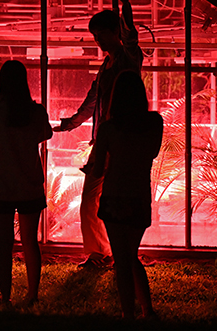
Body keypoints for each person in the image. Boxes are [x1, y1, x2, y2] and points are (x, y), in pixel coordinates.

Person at [53, 0, 142, 268]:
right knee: (92, 199)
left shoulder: (127, 59)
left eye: (101, 35)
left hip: (119, 141)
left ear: (115, 33)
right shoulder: (107, 65)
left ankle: (107, 252)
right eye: (95, 36)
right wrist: (68, 125)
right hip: (104, 142)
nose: (98, 41)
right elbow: (92, 102)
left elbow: (132, 39)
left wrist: (126, 7)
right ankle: (103, 252)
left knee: (100, 198)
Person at [0, 60, 52, 306]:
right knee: (30, 241)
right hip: (30, 182)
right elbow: (46, 134)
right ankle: (33, 293)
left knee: (4, 243)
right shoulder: (36, 112)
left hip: (0, 183)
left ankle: (5, 296)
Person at [91, 70, 162, 319]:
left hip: (114, 196)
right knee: (131, 256)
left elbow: (98, 169)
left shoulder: (108, 128)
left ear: (116, 97)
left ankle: (128, 315)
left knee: (122, 260)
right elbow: (151, 153)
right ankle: (147, 309)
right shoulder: (154, 123)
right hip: (139, 196)